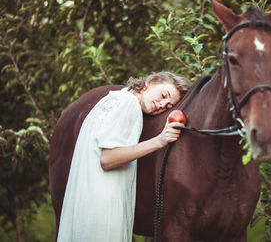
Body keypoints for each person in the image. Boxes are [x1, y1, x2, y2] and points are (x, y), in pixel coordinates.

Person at [57, 71, 192, 242]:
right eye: (164, 95)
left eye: (167, 106)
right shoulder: (130, 105)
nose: (162, 104)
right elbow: (107, 159)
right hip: (104, 211)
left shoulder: (111, 99)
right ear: (150, 82)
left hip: (84, 207)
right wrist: (160, 140)